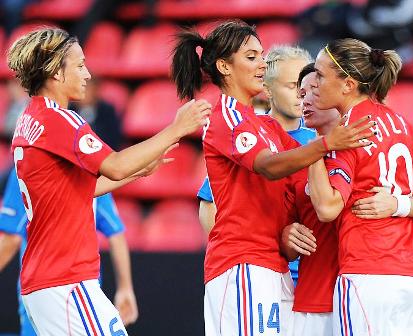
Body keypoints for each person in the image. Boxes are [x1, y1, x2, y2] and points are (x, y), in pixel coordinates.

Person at [171, 20, 374, 336]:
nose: (262, 63)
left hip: (273, 266)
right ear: (224, 66)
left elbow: (312, 162)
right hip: (242, 265)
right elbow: (269, 165)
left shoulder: (268, 127)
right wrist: (328, 142)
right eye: (251, 56)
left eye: (262, 55)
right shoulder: (227, 117)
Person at [7, 27, 210, 335]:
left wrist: (137, 171)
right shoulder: (61, 120)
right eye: (79, 65)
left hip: (45, 278)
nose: (87, 74)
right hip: (66, 279)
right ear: (55, 73)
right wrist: (176, 128)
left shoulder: (29, 120)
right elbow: (113, 165)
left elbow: (78, 190)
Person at [281, 63, 413, 336]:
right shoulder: (295, 158)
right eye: (301, 92)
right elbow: (280, 229)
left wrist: (397, 204)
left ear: (341, 94)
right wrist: (285, 236)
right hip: (318, 299)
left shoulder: (369, 147)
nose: (305, 98)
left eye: (315, 88)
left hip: (367, 281)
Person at [197, 44, 315, 286]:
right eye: (292, 86)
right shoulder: (244, 131)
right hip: (262, 268)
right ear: (268, 89)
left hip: (313, 273)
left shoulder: (316, 136)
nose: (300, 94)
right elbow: (209, 205)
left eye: (306, 86)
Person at [0, 169, 139, 335]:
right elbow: (115, 233)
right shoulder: (86, 169)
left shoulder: (27, 166)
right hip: (83, 292)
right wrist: (125, 288)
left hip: (44, 292)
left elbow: (11, 240)